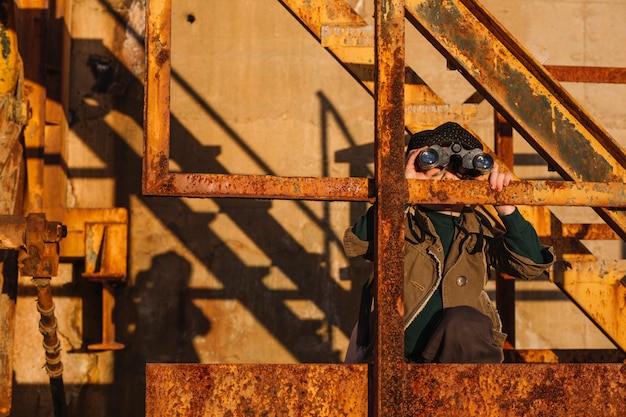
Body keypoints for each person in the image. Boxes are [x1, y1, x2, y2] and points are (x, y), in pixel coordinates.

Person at [343, 122, 554, 364]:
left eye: (462, 167)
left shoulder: (478, 231)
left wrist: (505, 207)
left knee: (465, 321)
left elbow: (530, 265)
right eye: (436, 162)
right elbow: (361, 243)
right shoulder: (401, 221)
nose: (450, 176)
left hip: (459, 359)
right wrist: (402, 191)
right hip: (397, 359)